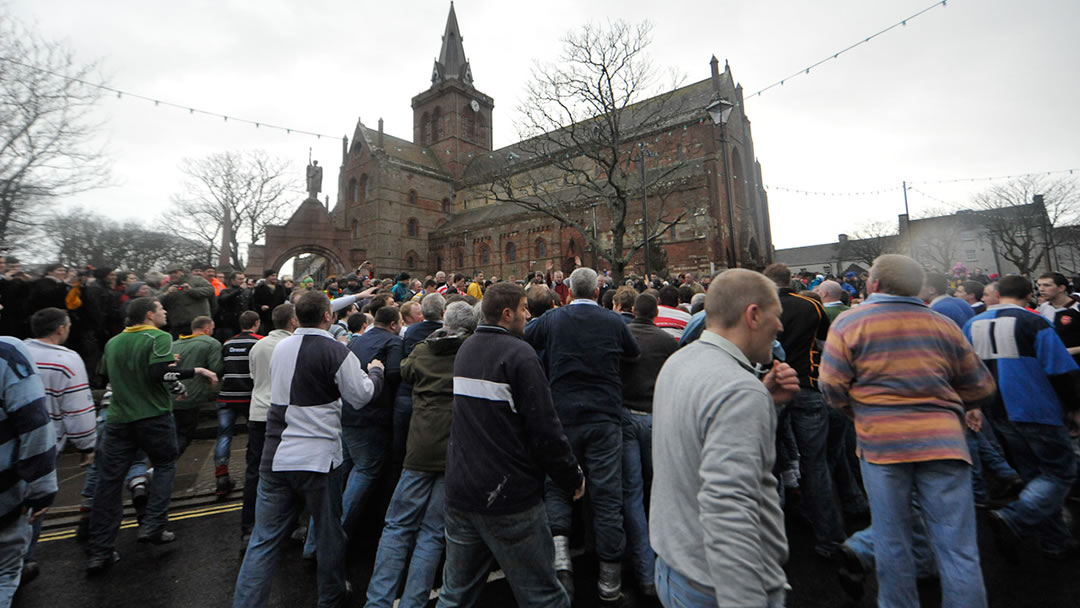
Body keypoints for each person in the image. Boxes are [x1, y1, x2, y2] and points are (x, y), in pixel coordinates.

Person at [819, 254, 996, 608]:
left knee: (891, 542)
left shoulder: (850, 323)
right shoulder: (942, 324)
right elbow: (981, 386)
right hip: (944, 442)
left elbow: (832, 385)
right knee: (958, 548)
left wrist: (858, 410)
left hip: (882, 443)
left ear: (874, 284)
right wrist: (949, 405)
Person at [651, 269, 798, 608]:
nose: (780, 328)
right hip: (716, 585)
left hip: (674, 565)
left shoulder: (679, 361)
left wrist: (764, 401)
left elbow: (697, 441)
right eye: (776, 316)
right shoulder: (737, 390)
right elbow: (730, 511)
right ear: (754, 314)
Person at [436, 282, 584, 608]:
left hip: (461, 491)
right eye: (523, 308)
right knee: (543, 596)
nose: (528, 314)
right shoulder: (519, 353)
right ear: (507, 314)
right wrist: (571, 477)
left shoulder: (466, 349)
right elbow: (545, 429)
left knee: (455, 594)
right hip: (508, 496)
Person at [233, 292, 384, 608]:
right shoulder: (336, 351)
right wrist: (376, 372)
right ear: (328, 317)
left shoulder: (281, 347)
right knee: (329, 535)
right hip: (317, 459)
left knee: (263, 541)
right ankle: (330, 596)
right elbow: (361, 396)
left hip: (275, 456)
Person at [525, 267, 639, 602]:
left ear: (570, 291)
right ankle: (609, 586)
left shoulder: (554, 320)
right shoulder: (613, 321)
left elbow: (526, 335)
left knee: (559, 485)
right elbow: (632, 353)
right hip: (604, 416)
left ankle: (562, 567)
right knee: (607, 496)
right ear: (597, 289)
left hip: (563, 416)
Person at [87, 297, 219, 574]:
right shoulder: (158, 337)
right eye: (161, 309)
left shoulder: (113, 342)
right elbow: (161, 373)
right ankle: (154, 526)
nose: (166, 312)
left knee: (109, 482)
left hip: (118, 420)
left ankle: (100, 550)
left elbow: (103, 375)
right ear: (149, 315)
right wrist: (195, 370)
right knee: (164, 465)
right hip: (153, 417)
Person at [365, 301, 477, 608]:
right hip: (454, 449)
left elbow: (405, 372)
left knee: (398, 526)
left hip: (419, 448)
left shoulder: (424, 350)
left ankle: (377, 602)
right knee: (431, 532)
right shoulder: (473, 352)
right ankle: (413, 602)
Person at [965, 274, 1080, 561]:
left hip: (999, 410)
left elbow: (967, 371)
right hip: (1037, 407)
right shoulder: (1033, 321)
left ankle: (1055, 539)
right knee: (1061, 472)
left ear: (999, 293)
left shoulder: (971, 324)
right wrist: (1074, 409)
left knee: (1034, 477)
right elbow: (1059, 370)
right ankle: (1014, 517)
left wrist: (974, 405)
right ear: (1029, 295)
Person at [762, 263, 845, 558]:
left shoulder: (760, 307)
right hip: (807, 385)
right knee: (815, 464)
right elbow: (825, 343)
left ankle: (774, 543)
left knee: (769, 464)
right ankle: (829, 539)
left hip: (772, 386)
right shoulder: (811, 304)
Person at [22, 308, 96, 581]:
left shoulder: (17, 352)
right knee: (34, 504)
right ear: (61, 329)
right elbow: (77, 408)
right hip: (44, 443)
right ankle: (21, 559)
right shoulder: (66, 360)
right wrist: (87, 444)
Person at [618, 293, 677, 597]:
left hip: (626, 419)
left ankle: (644, 571)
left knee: (632, 493)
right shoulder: (668, 342)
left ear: (630, 311)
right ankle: (668, 563)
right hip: (656, 419)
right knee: (659, 490)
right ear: (656, 313)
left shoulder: (622, 335)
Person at [0, 335, 57, 605]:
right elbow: (34, 424)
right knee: (4, 574)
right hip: (4, 499)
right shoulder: (7, 352)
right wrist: (42, 489)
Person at [242, 304, 297, 549]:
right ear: (293, 321)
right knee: (289, 472)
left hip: (257, 413)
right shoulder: (293, 345)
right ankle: (289, 525)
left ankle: (249, 528)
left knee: (255, 473)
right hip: (283, 414)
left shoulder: (258, 345)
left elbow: (255, 378)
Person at [215, 311, 261, 497]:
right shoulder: (259, 341)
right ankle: (253, 472)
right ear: (256, 323)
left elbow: (221, 368)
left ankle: (221, 478)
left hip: (227, 395)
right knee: (254, 434)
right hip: (249, 396)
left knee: (224, 436)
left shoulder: (227, 343)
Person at [169, 316, 224, 457]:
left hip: (170, 396)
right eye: (212, 328)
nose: (212, 331)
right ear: (206, 329)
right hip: (192, 396)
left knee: (172, 434)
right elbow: (216, 368)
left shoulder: (174, 344)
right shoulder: (212, 343)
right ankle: (165, 465)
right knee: (185, 434)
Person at [159, 263, 216, 340]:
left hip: (198, 324)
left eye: (175, 272)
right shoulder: (167, 287)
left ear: (182, 272)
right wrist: (167, 293)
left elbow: (210, 290)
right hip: (178, 325)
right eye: (170, 273)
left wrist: (191, 290)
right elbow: (155, 301)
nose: (173, 275)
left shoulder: (196, 280)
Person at [1036, 271, 1080, 366]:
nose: (1041, 289)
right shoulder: (1044, 308)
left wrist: (1072, 350)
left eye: (1047, 285)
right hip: (1056, 365)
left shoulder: (1077, 307)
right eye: (1039, 285)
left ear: (1061, 288)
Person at [252, 270, 287, 334]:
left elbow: (283, 300)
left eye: (276, 276)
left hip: (277, 317)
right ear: (267, 277)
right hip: (264, 318)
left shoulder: (280, 288)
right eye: (272, 276)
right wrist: (261, 307)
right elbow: (254, 302)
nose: (275, 277)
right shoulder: (259, 288)